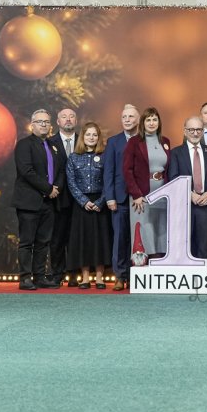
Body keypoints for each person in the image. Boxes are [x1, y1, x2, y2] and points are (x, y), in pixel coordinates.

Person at [13, 109, 66, 290]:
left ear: (50, 125)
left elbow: (61, 170)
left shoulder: (53, 146)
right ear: (32, 125)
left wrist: (56, 189)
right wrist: (48, 189)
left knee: (44, 242)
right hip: (29, 202)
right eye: (39, 121)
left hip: (49, 202)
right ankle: (25, 278)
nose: (43, 124)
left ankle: (39, 276)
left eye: (46, 122)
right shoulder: (24, 145)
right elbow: (26, 172)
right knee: (27, 242)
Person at [65, 122, 111, 289]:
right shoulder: (73, 157)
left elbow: (109, 180)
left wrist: (100, 202)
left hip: (100, 203)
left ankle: (99, 277)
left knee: (100, 240)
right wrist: (84, 201)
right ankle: (84, 277)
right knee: (83, 240)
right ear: (83, 137)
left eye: (94, 135)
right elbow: (71, 182)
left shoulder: (105, 156)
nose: (91, 137)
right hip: (81, 205)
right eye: (88, 134)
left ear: (99, 138)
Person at [122, 107, 171, 260]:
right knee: (145, 228)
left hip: (162, 193)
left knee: (161, 228)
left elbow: (168, 169)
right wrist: (136, 195)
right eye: (148, 120)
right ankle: (144, 262)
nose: (151, 123)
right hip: (141, 195)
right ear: (142, 123)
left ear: (159, 122)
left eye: (154, 119)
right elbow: (127, 170)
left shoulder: (165, 142)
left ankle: (161, 260)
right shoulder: (134, 142)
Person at [167, 116, 207, 262]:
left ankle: (204, 274)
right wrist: (189, 194)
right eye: (191, 130)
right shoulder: (176, 153)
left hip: (206, 204)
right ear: (185, 131)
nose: (195, 133)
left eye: (199, 130)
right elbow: (173, 177)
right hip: (184, 205)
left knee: (205, 246)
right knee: (185, 245)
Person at [103, 104, 139, 291]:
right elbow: (108, 171)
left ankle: (136, 275)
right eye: (124, 117)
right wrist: (110, 197)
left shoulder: (144, 140)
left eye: (131, 116)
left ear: (138, 120)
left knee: (138, 238)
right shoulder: (113, 142)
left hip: (140, 199)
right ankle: (120, 276)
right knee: (119, 239)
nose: (127, 120)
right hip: (119, 198)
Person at [47, 107, 78, 286]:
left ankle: (74, 274)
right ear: (58, 122)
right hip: (57, 198)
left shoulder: (84, 140)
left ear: (76, 121)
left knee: (75, 238)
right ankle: (57, 274)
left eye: (71, 116)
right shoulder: (49, 143)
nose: (68, 119)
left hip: (80, 199)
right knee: (57, 238)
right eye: (64, 117)